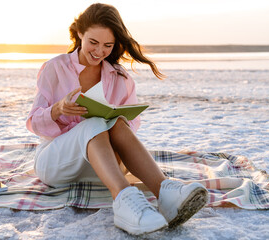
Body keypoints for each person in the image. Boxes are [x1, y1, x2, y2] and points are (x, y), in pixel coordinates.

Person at [26, 3, 208, 235]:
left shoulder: (120, 77)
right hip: (56, 164)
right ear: (80, 33)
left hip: (105, 165)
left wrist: (115, 123)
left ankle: (165, 192)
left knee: (118, 121)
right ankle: (124, 201)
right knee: (92, 123)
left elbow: (130, 127)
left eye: (107, 45)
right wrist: (58, 109)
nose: (99, 51)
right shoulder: (54, 68)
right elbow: (33, 122)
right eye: (93, 42)